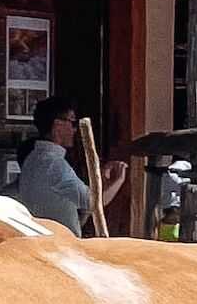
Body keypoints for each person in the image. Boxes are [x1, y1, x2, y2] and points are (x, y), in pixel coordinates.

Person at [16, 96, 127, 234]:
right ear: (58, 124)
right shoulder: (53, 164)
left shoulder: (32, 159)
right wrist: (118, 179)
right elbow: (95, 202)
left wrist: (100, 184)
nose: (75, 130)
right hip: (57, 246)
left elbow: (73, 215)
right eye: (72, 122)